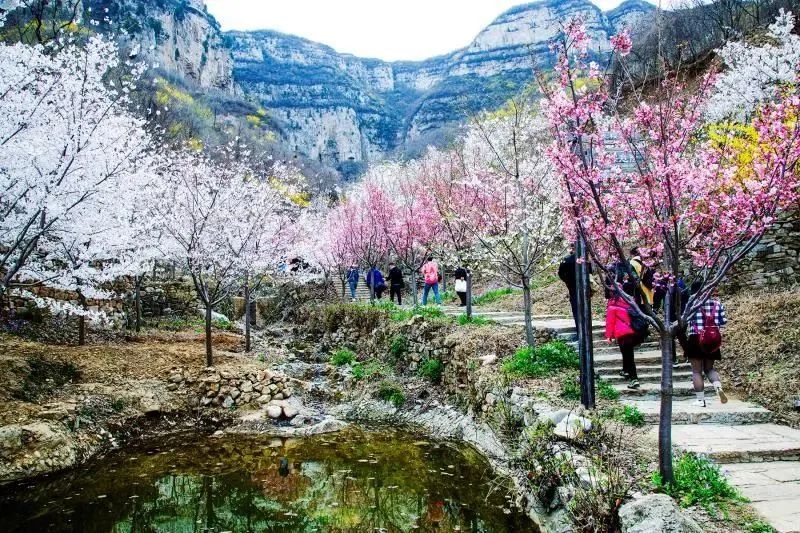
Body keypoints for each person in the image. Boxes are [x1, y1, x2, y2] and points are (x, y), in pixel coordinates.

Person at [683, 282, 729, 407]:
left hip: (695, 338)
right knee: (709, 369)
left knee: (696, 371)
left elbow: (684, 320)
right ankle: (718, 387)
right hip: (712, 340)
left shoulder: (692, 304)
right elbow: (723, 322)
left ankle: (700, 400)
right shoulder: (717, 304)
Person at [605, 266, 646, 389]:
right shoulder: (629, 302)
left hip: (623, 334)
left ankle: (634, 379)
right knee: (626, 353)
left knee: (628, 356)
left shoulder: (612, 307)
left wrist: (608, 336)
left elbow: (610, 323)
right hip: (633, 332)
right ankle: (625, 370)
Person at [558, 246, 578, 327]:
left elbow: (560, 273)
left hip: (572, 287)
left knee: (576, 310)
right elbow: (591, 272)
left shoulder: (566, 259)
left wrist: (567, 281)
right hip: (585, 289)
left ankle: (579, 331)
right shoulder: (585, 259)